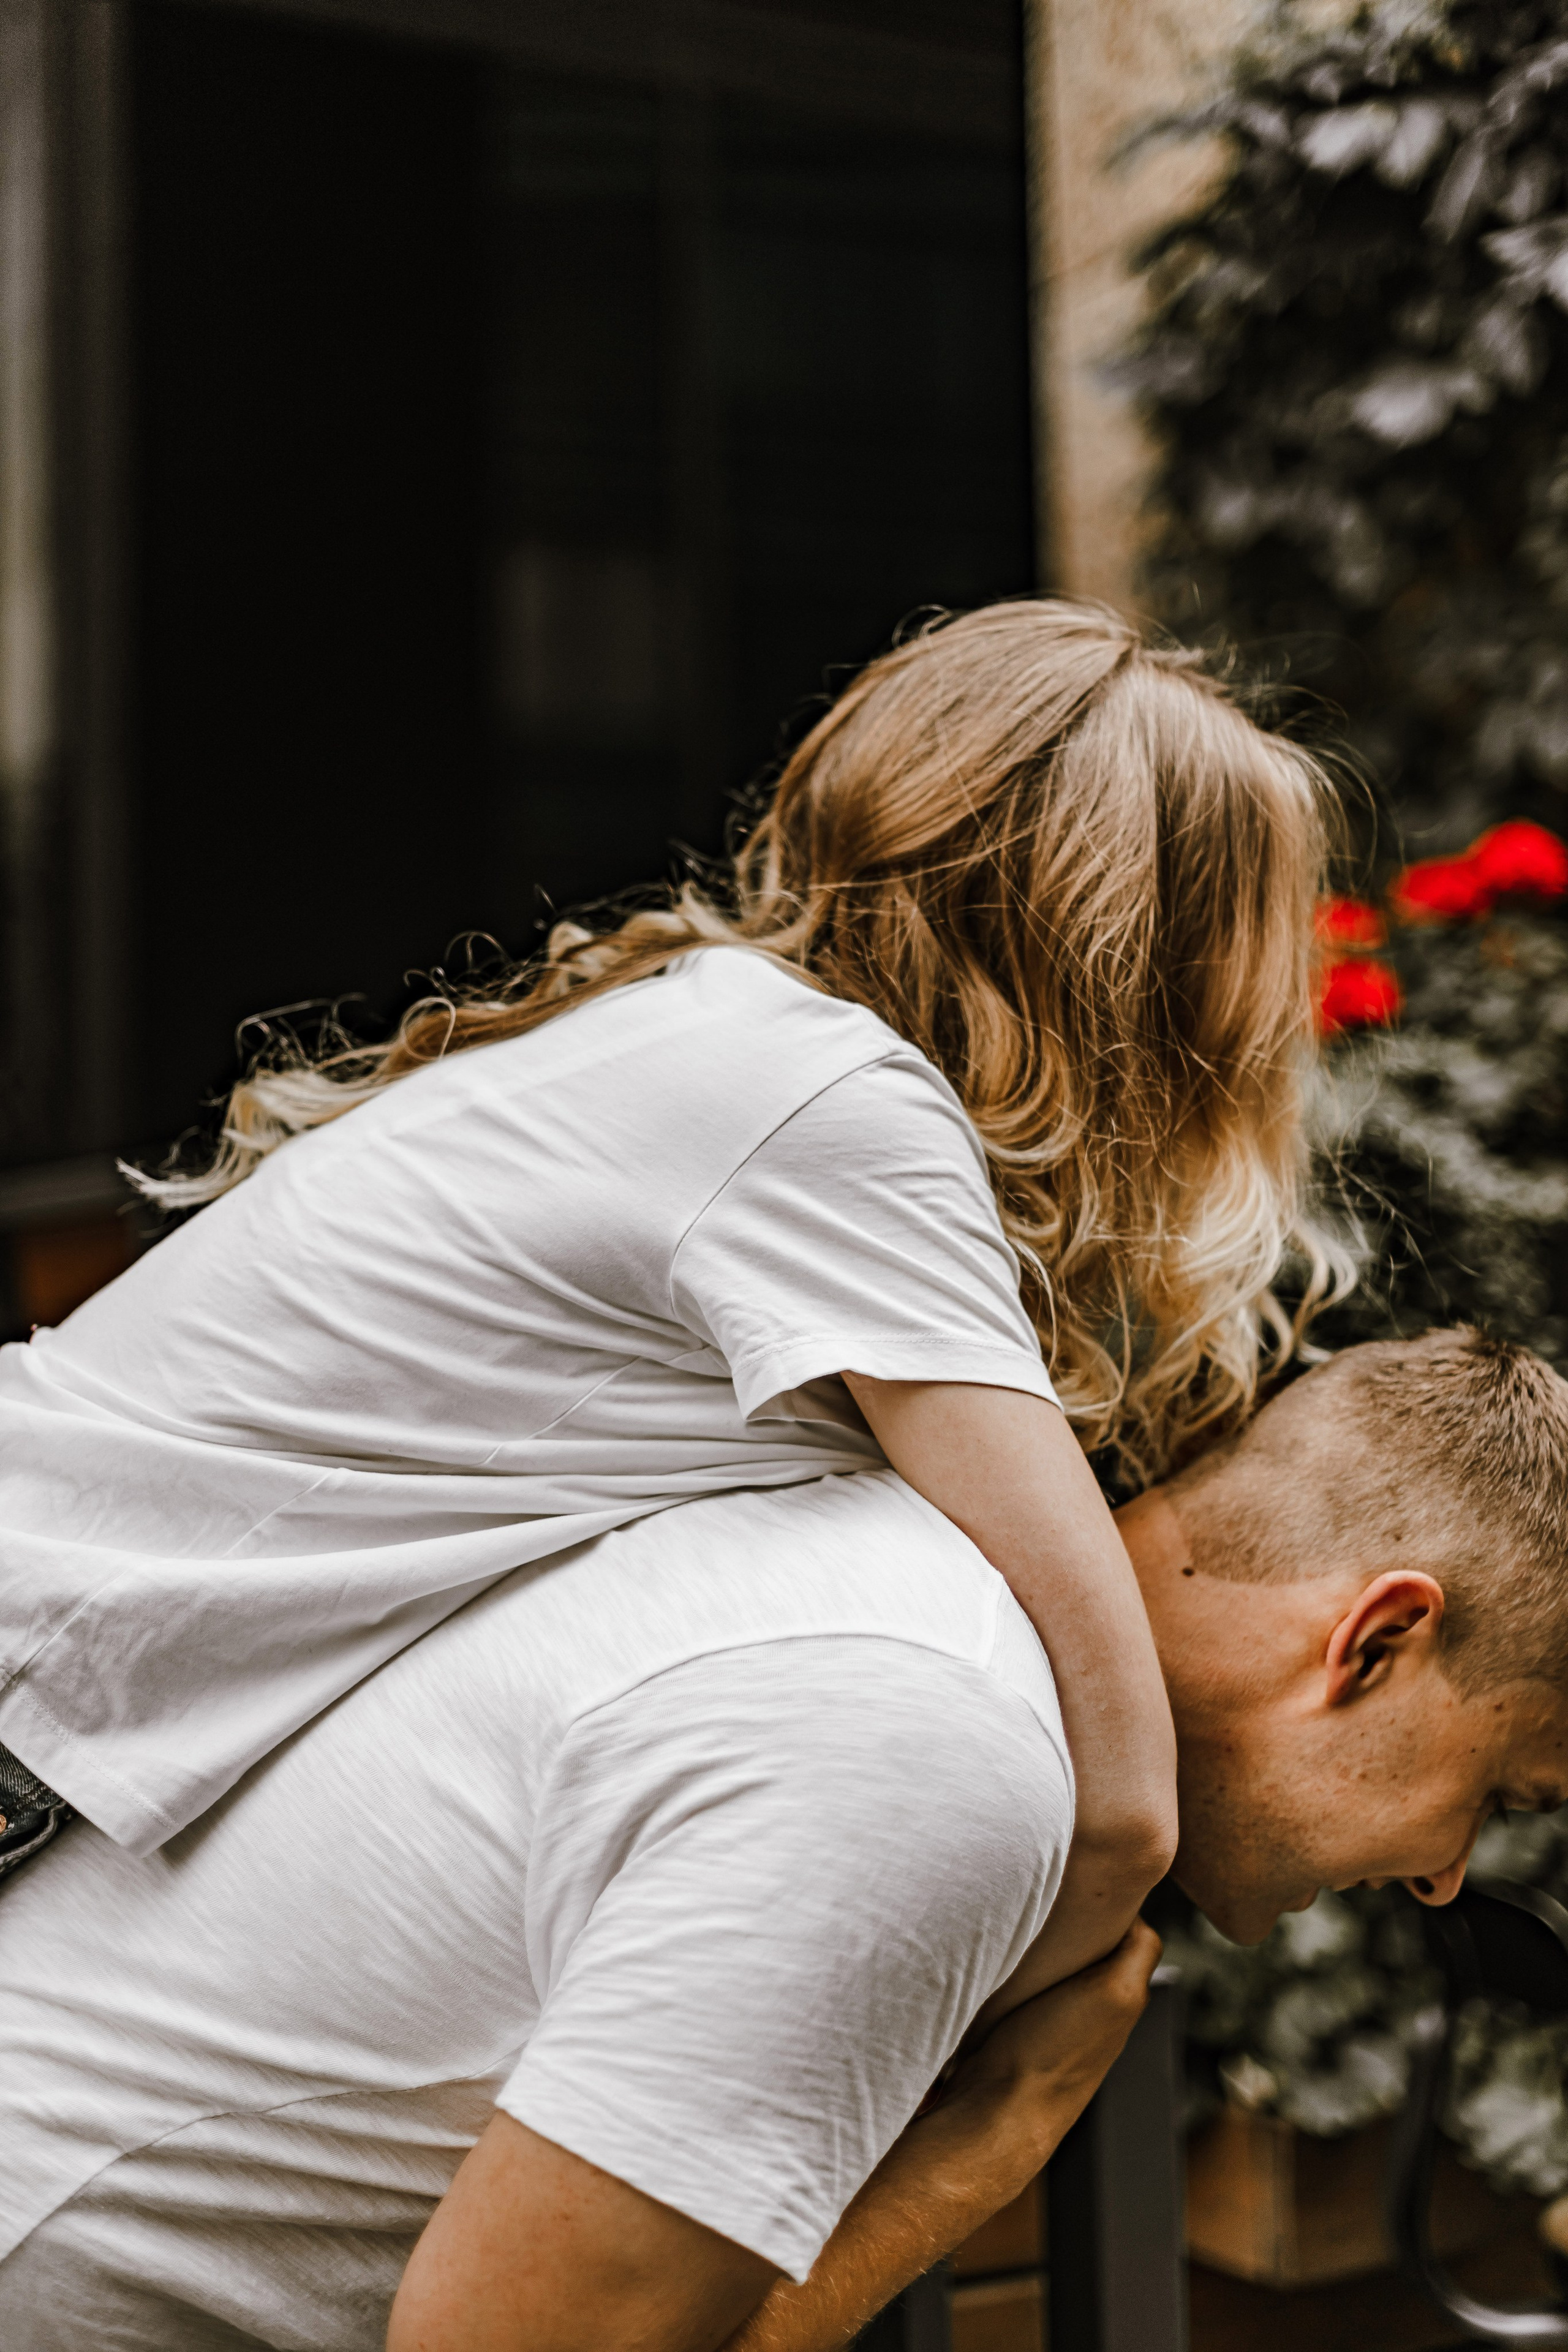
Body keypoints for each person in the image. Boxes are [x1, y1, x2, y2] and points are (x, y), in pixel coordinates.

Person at [0, 600, 1343, 1994]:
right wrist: (948, 2079)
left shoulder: (732, 1040)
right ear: (1147, 962)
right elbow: (1120, 1800)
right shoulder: (827, 1108)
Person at [1, 1327, 1563, 2352]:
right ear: (1371, 1643)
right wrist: (978, 2155)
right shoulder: (941, 1743)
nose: (1440, 1876)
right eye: (1499, 1798)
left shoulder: (915, 1589)